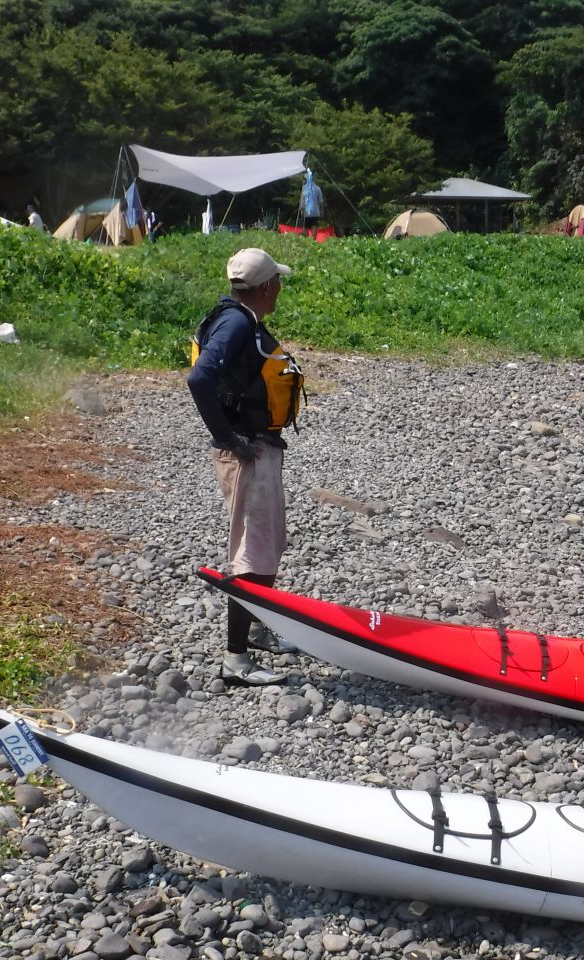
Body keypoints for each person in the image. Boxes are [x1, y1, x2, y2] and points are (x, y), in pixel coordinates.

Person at [187, 247, 297, 686]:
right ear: (266, 287)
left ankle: (254, 632)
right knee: (253, 556)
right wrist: (232, 441)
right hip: (247, 453)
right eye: (278, 282)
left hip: (254, 449)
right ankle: (235, 660)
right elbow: (200, 380)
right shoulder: (236, 323)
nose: (281, 289)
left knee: (267, 544)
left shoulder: (235, 316)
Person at [300, 170, 324, 235]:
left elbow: (302, 200)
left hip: (306, 211)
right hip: (315, 211)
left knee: (304, 226)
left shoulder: (304, 188)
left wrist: (302, 209)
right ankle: (313, 241)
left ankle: (307, 239)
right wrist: (322, 211)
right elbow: (321, 201)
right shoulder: (317, 188)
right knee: (314, 225)